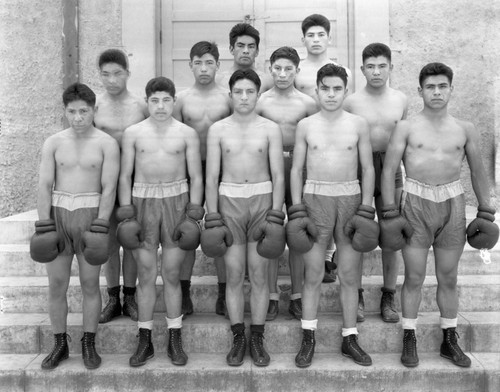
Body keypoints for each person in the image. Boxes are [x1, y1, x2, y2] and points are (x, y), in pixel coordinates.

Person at [381, 62, 497, 368]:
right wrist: (390, 211)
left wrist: (486, 208)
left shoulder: (465, 128)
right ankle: (409, 337)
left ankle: (449, 339)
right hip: (415, 203)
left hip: (452, 202)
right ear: (420, 91)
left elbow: (477, 170)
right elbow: (390, 169)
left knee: (448, 276)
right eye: (430, 87)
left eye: (442, 86)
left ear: (451, 89)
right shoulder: (406, 127)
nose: (436, 92)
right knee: (415, 276)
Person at [290, 64, 376, 368]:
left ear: (345, 90)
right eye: (325, 88)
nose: (330, 93)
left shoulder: (358, 124)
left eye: (337, 88)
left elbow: (367, 168)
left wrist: (366, 206)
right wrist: (298, 207)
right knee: (312, 274)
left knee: (350, 275)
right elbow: (295, 168)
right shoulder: (306, 125)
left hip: (350, 198)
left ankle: (349, 338)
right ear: (316, 90)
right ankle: (308, 337)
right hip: (315, 198)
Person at [32, 83, 120, 370]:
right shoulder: (54, 142)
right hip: (59, 213)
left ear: (94, 110)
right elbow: (45, 185)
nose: (78, 117)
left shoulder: (106, 143)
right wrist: (44, 225)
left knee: (90, 283)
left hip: (90, 213)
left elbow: (109, 187)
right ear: (65, 111)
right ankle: (60, 343)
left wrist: (102, 224)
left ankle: (88, 343)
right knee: (57, 283)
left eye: (84, 111)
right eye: (72, 111)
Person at [118, 77, 203, 367]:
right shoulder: (133, 133)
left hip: (177, 201)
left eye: (166, 99)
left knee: (171, 273)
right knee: (145, 273)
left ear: (174, 101)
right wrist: (127, 210)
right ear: (147, 101)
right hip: (142, 202)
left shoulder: (187, 133)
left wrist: (194, 211)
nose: (160, 105)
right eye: (154, 100)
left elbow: (198, 176)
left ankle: (174, 338)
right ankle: (145, 340)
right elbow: (123, 175)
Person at [205, 69, 284, 367]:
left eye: (250, 91)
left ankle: (258, 337)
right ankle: (239, 336)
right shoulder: (218, 129)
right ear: (230, 95)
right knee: (235, 274)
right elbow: (212, 177)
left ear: (258, 94)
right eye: (238, 91)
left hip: (262, 200)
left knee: (260, 273)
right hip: (230, 200)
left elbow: (278, 173)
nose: (244, 97)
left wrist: (276, 215)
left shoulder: (269, 128)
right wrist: (212, 216)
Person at [343, 43, 408, 323]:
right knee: (359, 235)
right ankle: (356, 295)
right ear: (362, 70)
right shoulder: (352, 102)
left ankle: (388, 295)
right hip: (360, 170)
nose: (376, 72)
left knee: (392, 237)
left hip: (392, 172)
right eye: (370, 66)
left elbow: (405, 139)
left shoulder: (401, 99)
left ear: (391, 68)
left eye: (382, 66)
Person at [255, 46, 317, 321]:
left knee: (296, 231)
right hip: (269, 169)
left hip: (297, 169)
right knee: (271, 231)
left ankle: (297, 295)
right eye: (277, 68)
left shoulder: (307, 103)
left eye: (288, 69)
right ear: (270, 69)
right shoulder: (261, 102)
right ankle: (270, 295)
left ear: (297, 71)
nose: (282, 74)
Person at [173, 41, 232, 318]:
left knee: (218, 229)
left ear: (218, 65)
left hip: (222, 171)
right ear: (190, 65)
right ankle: (183, 293)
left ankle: (223, 292)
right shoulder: (182, 99)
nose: (204, 68)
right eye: (198, 62)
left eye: (209, 62)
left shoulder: (227, 97)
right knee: (188, 232)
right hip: (190, 172)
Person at [294, 14, 354, 283]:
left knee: (334, 202)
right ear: (303, 39)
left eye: (321, 35)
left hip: (334, 142)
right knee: (312, 205)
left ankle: (329, 258)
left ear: (329, 38)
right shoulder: (297, 69)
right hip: (307, 140)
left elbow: (345, 107)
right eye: (311, 35)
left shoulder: (342, 71)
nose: (316, 40)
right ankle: (313, 261)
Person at [94, 48, 148, 324]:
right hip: (104, 182)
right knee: (110, 241)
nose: (111, 79)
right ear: (99, 75)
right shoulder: (95, 106)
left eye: (117, 73)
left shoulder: (140, 106)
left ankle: (130, 296)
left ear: (128, 73)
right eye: (105, 74)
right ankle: (113, 297)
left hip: (134, 181)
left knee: (130, 240)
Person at [217, 23, 273, 92]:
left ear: (257, 51)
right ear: (231, 49)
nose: (246, 51)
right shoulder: (219, 81)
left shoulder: (267, 82)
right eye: (240, 46)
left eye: (251, 46)